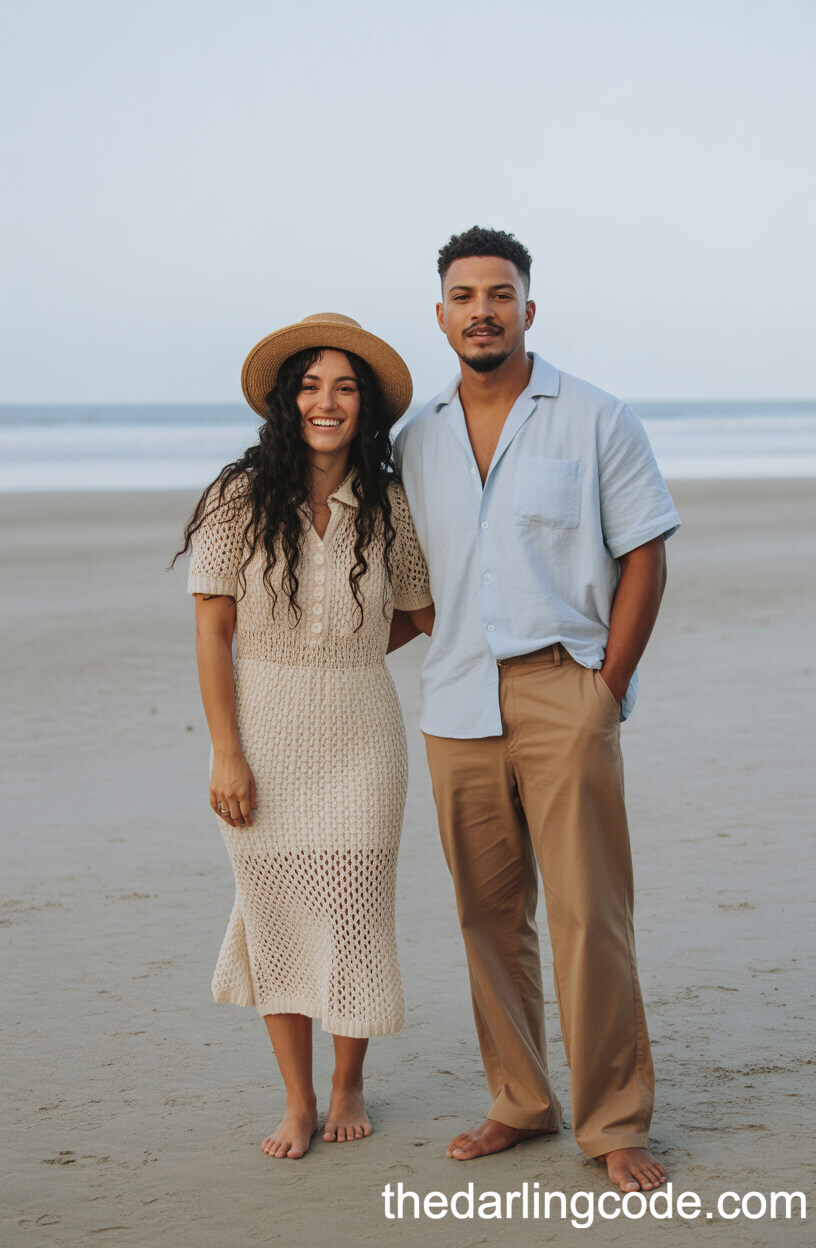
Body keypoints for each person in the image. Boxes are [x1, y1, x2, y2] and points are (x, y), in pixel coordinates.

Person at [394, 227, 680, 1193]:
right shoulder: (414, 436)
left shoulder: (596, 416)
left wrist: (604, 693)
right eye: (464, 295)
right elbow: (410, 578)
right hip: (454, 698)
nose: (483, 309)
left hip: (565, 689)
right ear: (440, 316)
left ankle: (614, 1123)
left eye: (501, 293)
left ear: (528, 308)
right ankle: (519, 1100)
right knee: (485, 915)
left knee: (587, 914)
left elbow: (644, 553)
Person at [176, 313, 433, 1160]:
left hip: (363, 729)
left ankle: (350, 1081)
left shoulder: (388, 503)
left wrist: (351, 651)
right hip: (264, 730)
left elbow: (419, 613)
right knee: (277, 909)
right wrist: (226, 751)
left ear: (366, 407)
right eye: (312, 386)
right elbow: (214, 633)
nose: (328, 401)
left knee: (355, 904)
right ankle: (297, 1098)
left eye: (346, 387)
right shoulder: (238, 498)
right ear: (288, 401)